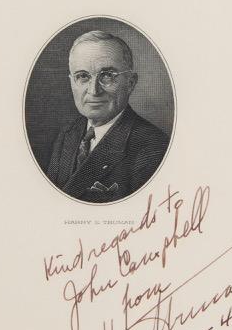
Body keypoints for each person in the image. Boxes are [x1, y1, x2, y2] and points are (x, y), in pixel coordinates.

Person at [46, 30, 169, 202]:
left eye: (107, 76)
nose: (93, 91)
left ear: (130, 83)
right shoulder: (68, 134)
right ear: (71, 82)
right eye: (83, 76)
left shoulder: (153, 148)